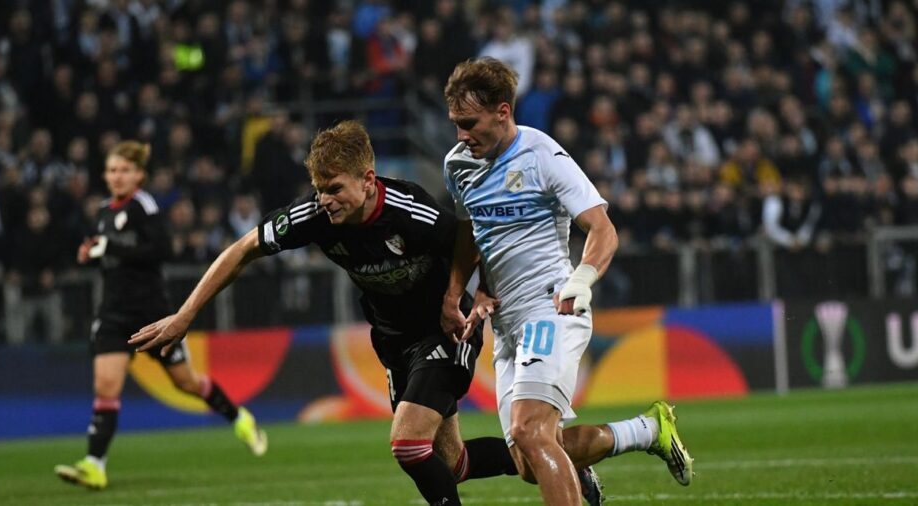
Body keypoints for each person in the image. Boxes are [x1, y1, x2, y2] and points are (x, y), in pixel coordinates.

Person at [129, 122, 541, 506]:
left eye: (335, 188)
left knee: (408, 444)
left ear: (367, 179)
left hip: (444, 330)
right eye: (319, 188)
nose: (325, 200)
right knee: (452, 462)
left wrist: (458, 297)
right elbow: (243, 249)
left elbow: (470, 240)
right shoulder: (316, 216)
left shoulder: (410, 210)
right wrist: (184, 316)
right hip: (394, 342)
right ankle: (554, 456)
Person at [440, 57, 694, 506]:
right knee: (526, 460)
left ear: (503, 111)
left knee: (528, 431)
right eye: (455, 123)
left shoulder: (543, 156)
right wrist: (458, 292)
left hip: (551, 307)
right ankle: (648, 430)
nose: (461, 135)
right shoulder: (458, 164)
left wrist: (583, 278)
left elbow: (602, 228)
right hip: (507, 326)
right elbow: (470, 231)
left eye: (469, 123)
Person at [54, 141, 267, 491]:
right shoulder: (106, 210)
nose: (117, 176)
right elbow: (112, 256)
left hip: (151, 315)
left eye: (124, 170)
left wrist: (113, 247)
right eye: (112, 170)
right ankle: (94, 465)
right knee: (105, 385)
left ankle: (239, 417)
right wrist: (92, 254)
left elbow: (160, 250)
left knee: (186, 383)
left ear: (139, 175)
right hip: (113, 313)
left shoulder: (144, 207)